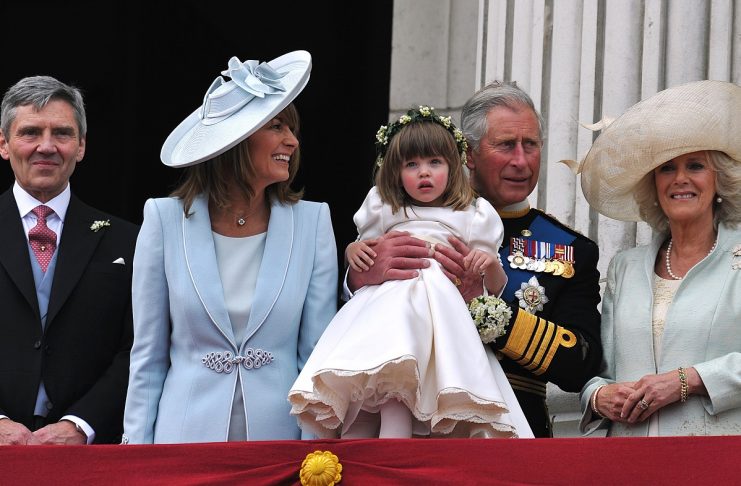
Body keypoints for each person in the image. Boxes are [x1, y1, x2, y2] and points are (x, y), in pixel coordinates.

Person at [346, 82, 603, 438]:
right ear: (467, 154)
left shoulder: (569, 249)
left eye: (530, 145)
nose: (520, 160)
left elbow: (582, 363)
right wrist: (359, 278)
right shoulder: (400, 218)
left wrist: (485, 313)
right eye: (505, 145)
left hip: (508, 432)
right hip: (406, 423)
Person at [122, 50, 338, 443]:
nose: (291, 140)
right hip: (184, 442)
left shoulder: (313, 222)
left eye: (291, 129)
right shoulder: (163, 219)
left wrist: (314, 454)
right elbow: (148, 357)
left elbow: (316, 358)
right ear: (236, 140)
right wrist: (135, 454)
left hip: (279, 443)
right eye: (276, 126)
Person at [289, 106, 533, 439]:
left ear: (454, 166)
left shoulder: (473, 213)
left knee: (435, 374)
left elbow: (494, 286)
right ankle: (377, 439)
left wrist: (486, 263)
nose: (424, 173)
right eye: (411, 164)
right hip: (389, 303)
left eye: (435, 163)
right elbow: (366, 250)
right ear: (395, 171)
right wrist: (352, 250)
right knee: (386, 364)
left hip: (443, 313)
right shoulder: (384, 206)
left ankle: (401, 440)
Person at [578, 80, 741, 436]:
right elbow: (601, 370)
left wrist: (690, 379)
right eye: (667, 168)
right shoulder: (625, 267)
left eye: (695, 166)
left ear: (719, 180)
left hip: (719, 457)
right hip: (631, 460)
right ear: (653, 183)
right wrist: (598, 396)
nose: (680, 179)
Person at [0, 76, 139, 445]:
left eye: (61, 133)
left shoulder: (128, 240)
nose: (46, 146)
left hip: (91, 455)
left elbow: (141, 345)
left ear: (80, 147)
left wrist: (81, 424)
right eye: (30, 132)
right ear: (3, 143)